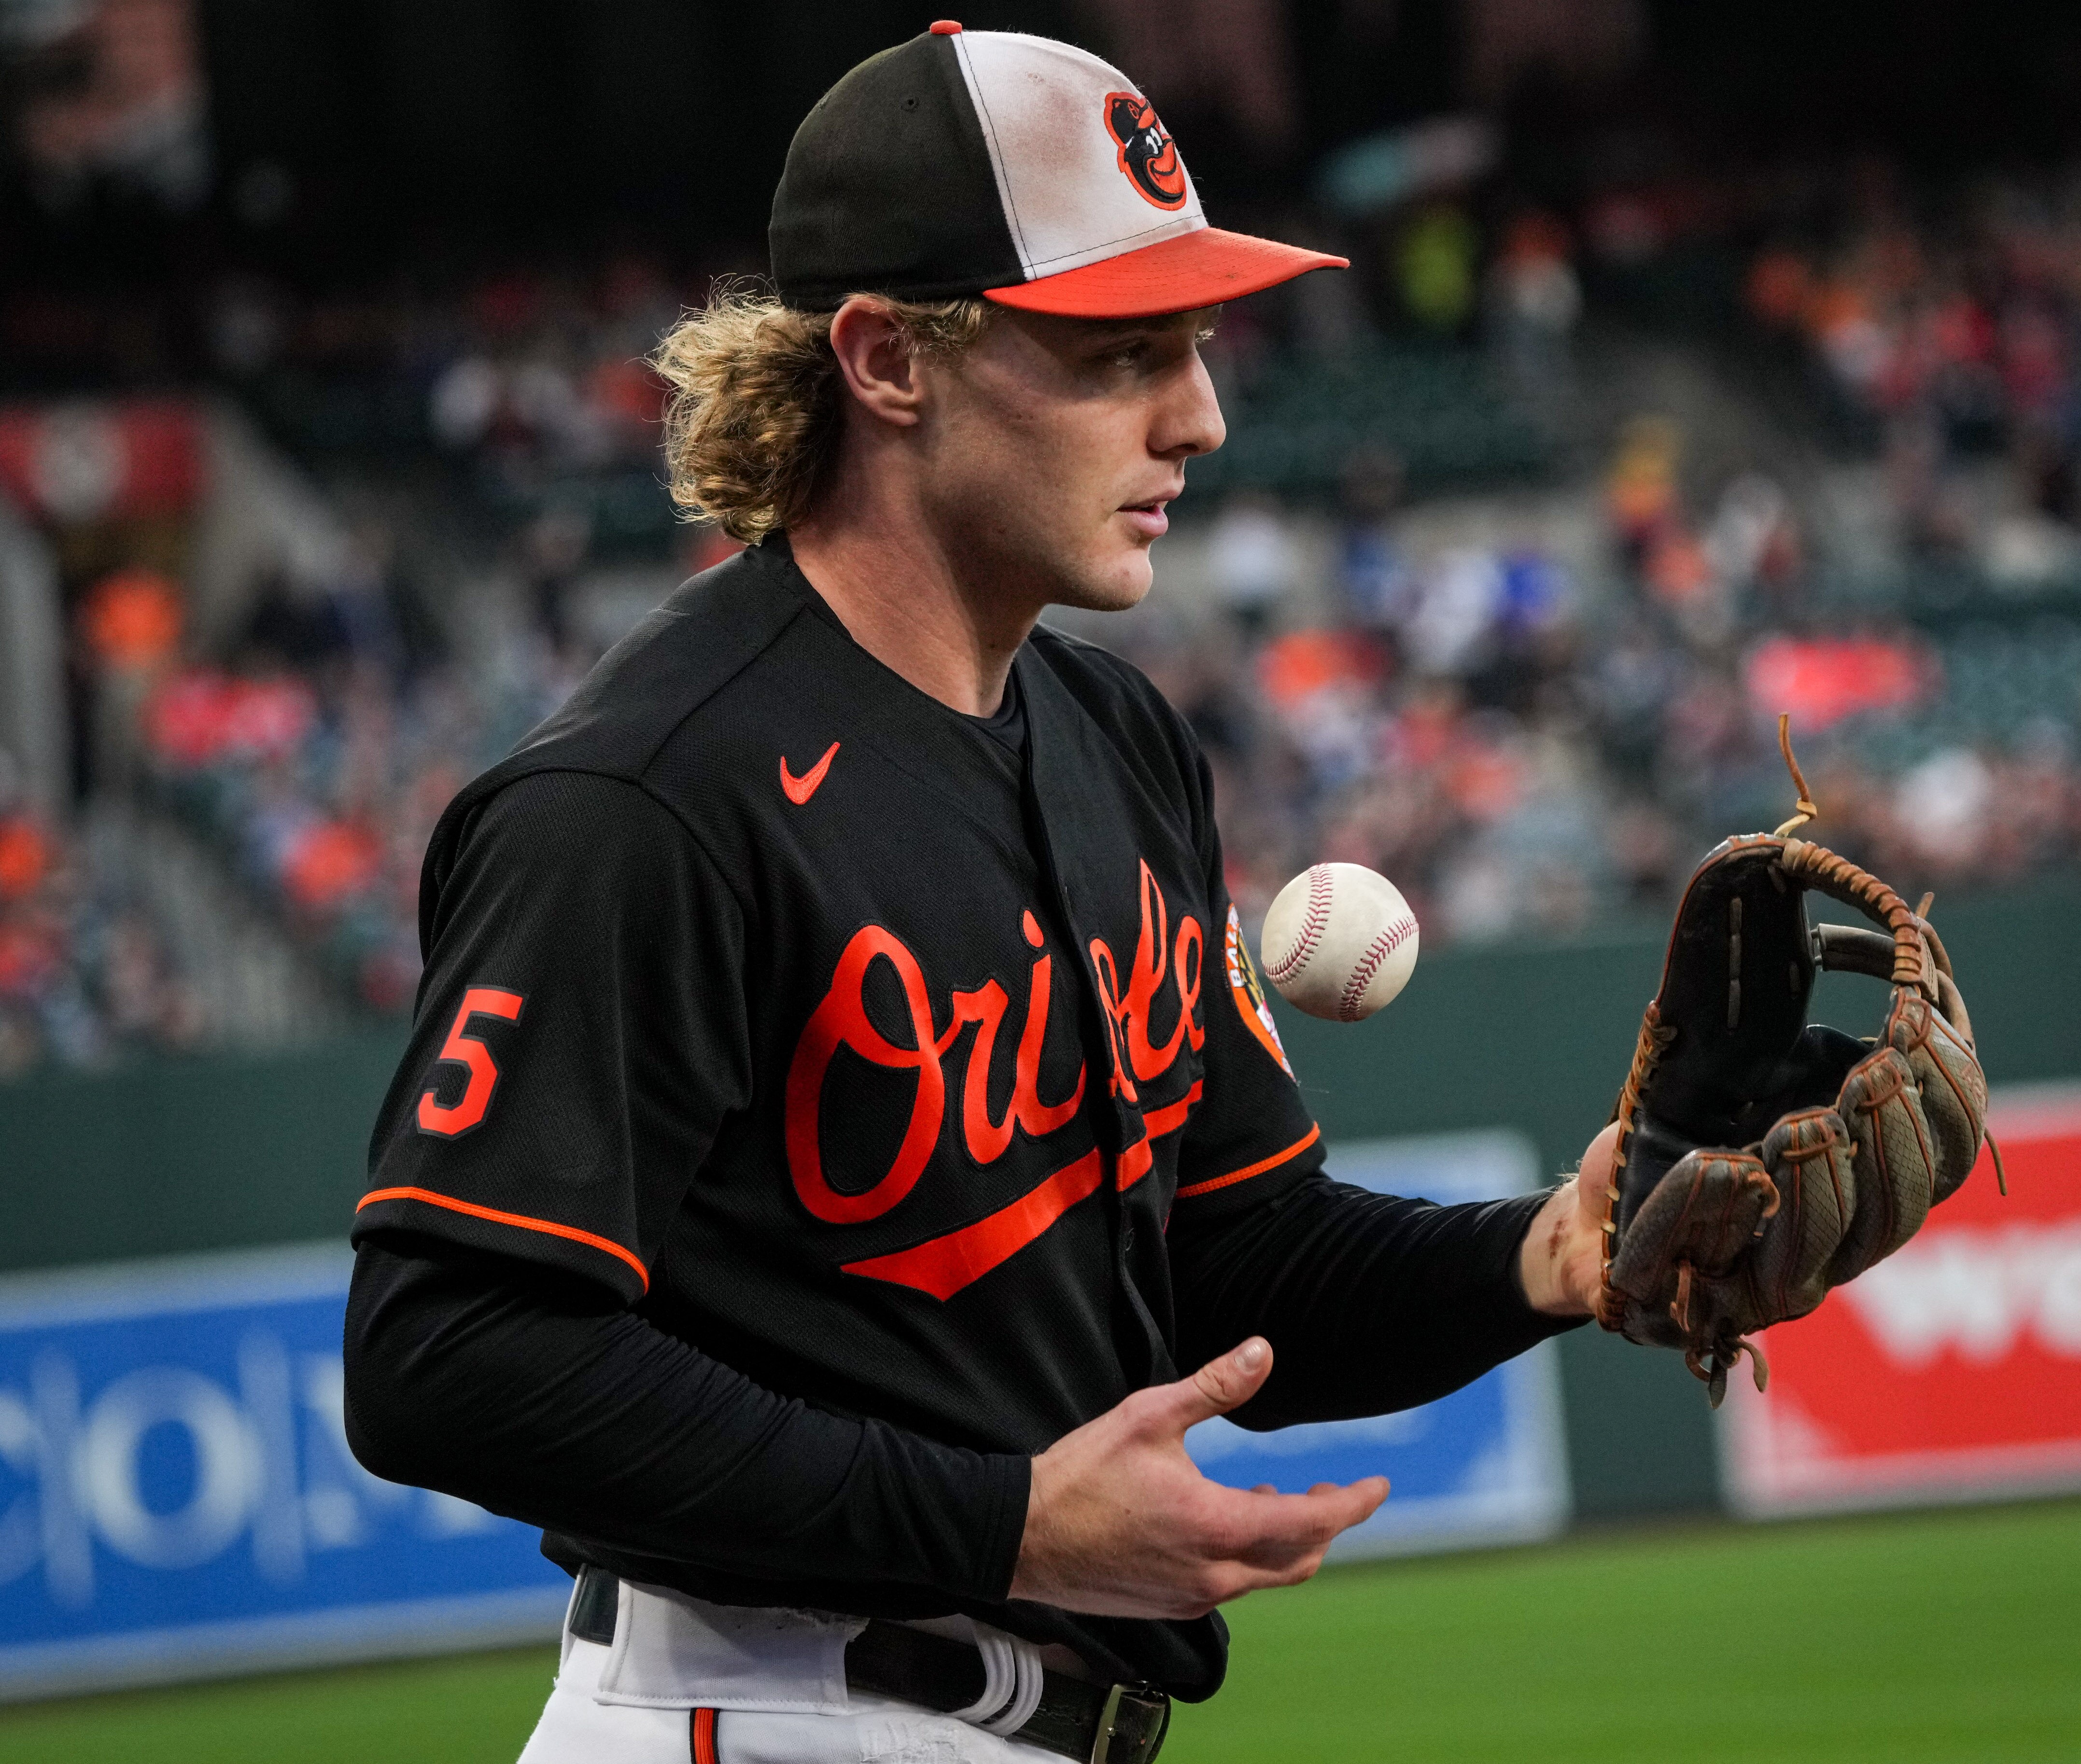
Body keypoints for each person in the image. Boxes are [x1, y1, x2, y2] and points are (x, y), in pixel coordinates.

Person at [344, 25, 1614, 1764]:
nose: (1204, 415)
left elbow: (1234, 1259)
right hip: (767, 1710)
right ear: (887, 361)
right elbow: (445, 1353)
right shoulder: (645, 796)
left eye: (1202, 343)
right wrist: (1002, 1523)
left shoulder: (1117, 739)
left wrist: (1552, 1256)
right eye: (1120, 352)